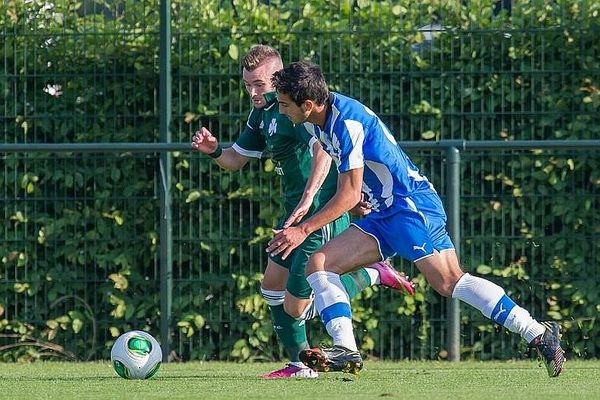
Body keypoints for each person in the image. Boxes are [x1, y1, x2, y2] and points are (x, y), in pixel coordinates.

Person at [268, 61, 566, 377]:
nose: (281, 110)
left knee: (448, 280)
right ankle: (346, 350)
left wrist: (304, 228)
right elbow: (352, 184)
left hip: (410, 207)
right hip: (383, 212)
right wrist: (356, 198)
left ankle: (537, 332)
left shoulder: (346, 122)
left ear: (309, 104)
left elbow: (350, 192)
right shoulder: (316, 121)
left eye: (285, 104)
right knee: (321, 263)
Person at [191, 46, 414, 378]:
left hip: (318, 215)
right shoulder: (262, 114)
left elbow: (323, 149)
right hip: (292, 216)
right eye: (247, 84)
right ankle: (300, 366)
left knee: (296, 307)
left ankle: (372, 273)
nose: (252, 91)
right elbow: (235, 160)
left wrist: (309, 198)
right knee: (270, 289)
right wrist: (214, 151)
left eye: (259, 84)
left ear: (277, 78)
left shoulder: (292, 111)